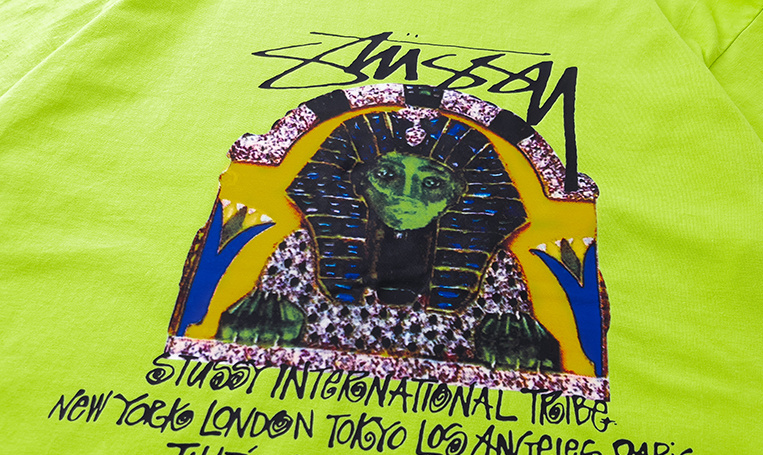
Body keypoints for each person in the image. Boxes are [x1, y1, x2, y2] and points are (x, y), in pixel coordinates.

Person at [216, 108, 562, 372]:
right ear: (358, 185)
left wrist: (515, 343)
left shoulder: (496, 269)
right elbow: (258, 332)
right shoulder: (302, 251)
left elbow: (520, 351)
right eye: (386, 175)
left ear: (459, 197)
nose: (406, 195)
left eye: (431, 183)